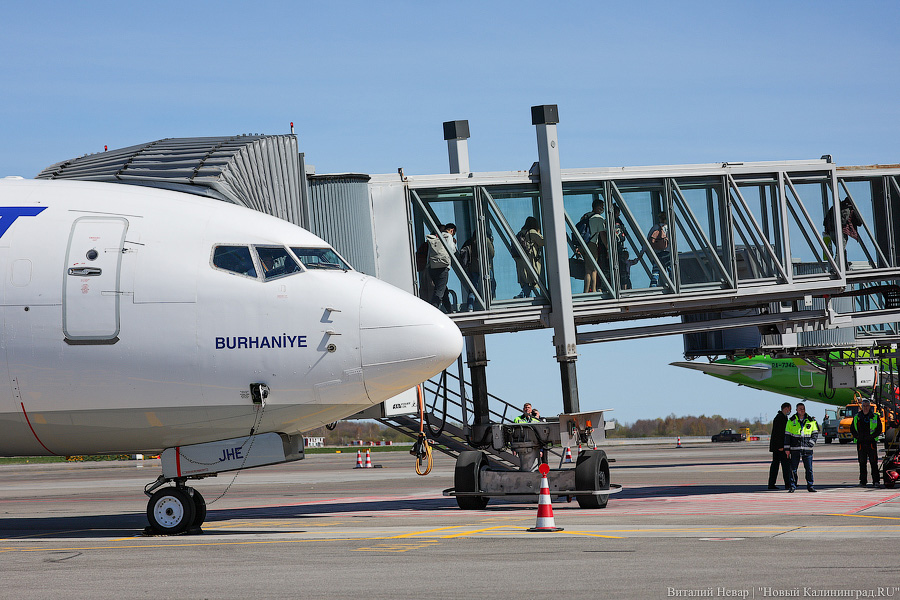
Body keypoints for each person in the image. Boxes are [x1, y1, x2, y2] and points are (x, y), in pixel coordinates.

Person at [784, 402, 819, 492]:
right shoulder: (791, 421)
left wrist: (811, 444)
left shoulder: (811, 420)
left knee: (809, 469)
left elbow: (815, 434)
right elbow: (787, 436)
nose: (802, 410)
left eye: (803, 409)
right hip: (795, 449)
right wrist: (787, 449)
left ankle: (810, 485)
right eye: (800, 409)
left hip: (807, 449)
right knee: (793, 469)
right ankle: (792, 486)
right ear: (796, 410)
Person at [460, 228, 496, 312]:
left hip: (473, 267)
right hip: (485, 267)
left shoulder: (470, 241)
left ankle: (470, 306)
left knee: (473, 287)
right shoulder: (485, 240)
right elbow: (492, 253)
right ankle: (489, 303)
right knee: (491, 284)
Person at [850, 397, 882, 488]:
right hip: (861, 443)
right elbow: (852, 429)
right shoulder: (857, 417)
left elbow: (879, 429)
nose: (866, 408)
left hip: (871, 442)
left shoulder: (875, 416)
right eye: (864, 406)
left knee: (873, 462)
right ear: (862, 407)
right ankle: (863, 481)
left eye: (867, 406)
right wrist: (858, 437)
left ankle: (876, 481)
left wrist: (872, 436)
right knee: (862, 462)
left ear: (870, 407)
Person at [425, 222, 456, 312]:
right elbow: (451, 250)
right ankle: (433, 311)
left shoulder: (436, 236)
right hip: (443, 267)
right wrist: (454, 244)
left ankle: (450, 310)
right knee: (439, 291)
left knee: (443, 290)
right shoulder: (448, 236)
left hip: (432, 267)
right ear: (452, 230)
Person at [580, 199, 608, 293]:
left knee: (587, 269)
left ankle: (586, 291)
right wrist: (607, 247)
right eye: (602, 206)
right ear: (597, 207)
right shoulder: (598, 218)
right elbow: (602, 234)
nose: (603, 208)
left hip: (584, 244)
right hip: (592, 244)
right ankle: (593, 290)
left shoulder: (586, 215)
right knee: (593, 269)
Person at [513, 216, 545, 298]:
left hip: (520, 261)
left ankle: (527, 299)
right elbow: (542, 242)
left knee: (526, 282)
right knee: (530, 281)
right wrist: (539, 233)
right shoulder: (532, 232)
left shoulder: (520, 233)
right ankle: (521, 296)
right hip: (530, 261)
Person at [768, 402, 793, 490]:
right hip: (779, 447)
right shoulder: (780, 418)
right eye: (789, 409)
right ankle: (787, 483)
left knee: (776, 465)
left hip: (777, 446)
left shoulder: (782, 417)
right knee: (785, 465)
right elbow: (778, 434)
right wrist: (781, 446)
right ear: (786, 409)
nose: (790, 411)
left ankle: (772, 484)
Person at [646, 212, 672, 287]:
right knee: (670, 269)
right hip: (666, 252)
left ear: (660, 219)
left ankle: (653, 286)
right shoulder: (668, 228)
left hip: (657, 252)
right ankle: (672, 285)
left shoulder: (655, 227)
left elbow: (648, 240)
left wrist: (642, 252)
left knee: (655, 270)